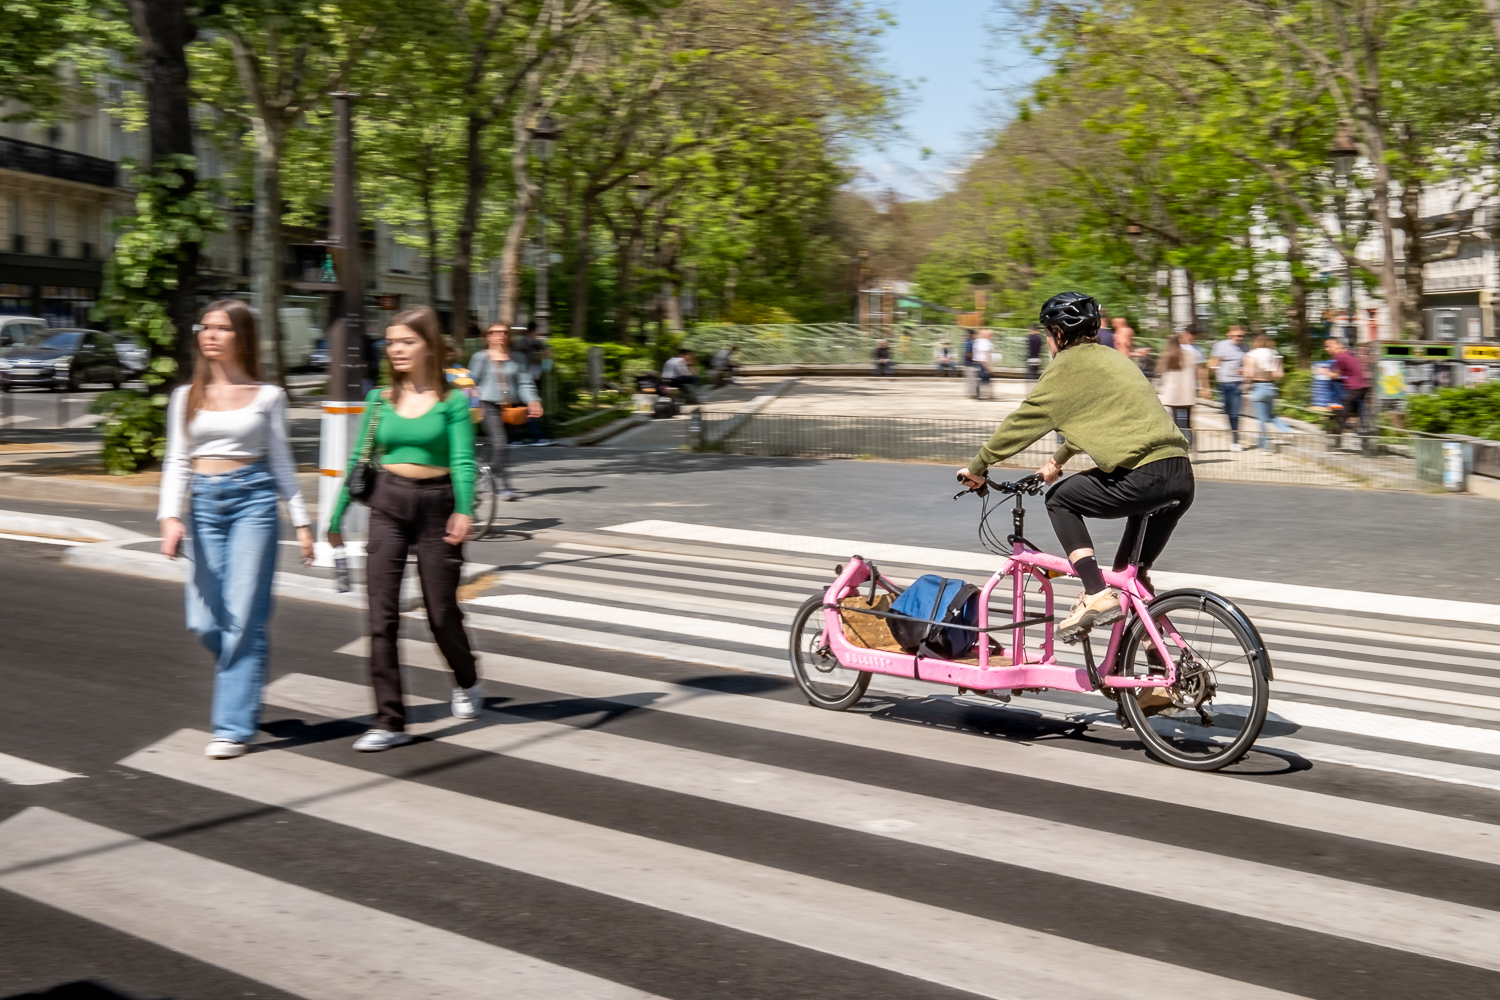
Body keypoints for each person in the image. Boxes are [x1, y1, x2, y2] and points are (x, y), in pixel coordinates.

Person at [957, 291, 1191, 639]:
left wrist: (978, 466)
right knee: (1131, 577)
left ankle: (1095, 594)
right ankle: (1159, 668)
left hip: (1144, 476)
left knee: (1061, 499)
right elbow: (1098, 422)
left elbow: (1022, 422)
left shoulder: (1065, 368)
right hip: (1180, 475)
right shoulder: (1114, 359)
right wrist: (1056, 461)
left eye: (1049, 334)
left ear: (1058, 334)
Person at [158, 300, 313, 759]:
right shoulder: (185, 396)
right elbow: (176, 460)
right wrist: (170, 515)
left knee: (242, 618)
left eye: (221, 328)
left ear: (241, 336)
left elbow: (283, 462)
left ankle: (232, 726)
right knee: (204, 621)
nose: (209, 334)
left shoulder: (269, 396)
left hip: (254, 502)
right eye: (204, 326)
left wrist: (302, 521)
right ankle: (243, 680)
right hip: (204, 506)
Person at [327, 305, 481, 752]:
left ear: (429, 346)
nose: (396, 349)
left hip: (439, 506)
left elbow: (462, 461)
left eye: (406, 341)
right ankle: (389, 721)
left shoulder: (453, 401)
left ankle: (466, 677)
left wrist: (466, 509)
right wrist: (335, 518)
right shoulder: (379, 400)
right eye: (391, 341)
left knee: (440, 613)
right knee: (381, 617)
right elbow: (359, 461)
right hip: (387, 504)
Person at [469, 322, 541, 502]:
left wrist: (533, 400)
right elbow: (471, 383)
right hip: (488, 404)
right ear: (488, 336)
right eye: (495, 332)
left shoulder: (517, 358)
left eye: (504, 332)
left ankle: (501, 483)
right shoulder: (480, 357)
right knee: (500, 444)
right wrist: (471, 405)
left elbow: (525, 382)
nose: (500, 335)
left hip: (511, 407)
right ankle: (491, 480)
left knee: (502, 448)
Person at [1244, 334, 1290, 449]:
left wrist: (1245, 379)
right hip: (1270, 387)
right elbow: (1279, 374)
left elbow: (1249, 374)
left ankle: (1265, 446)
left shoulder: (1252, 355)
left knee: (1262, 419)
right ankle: (1285, 429)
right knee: (1269, 415)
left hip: (1258, 386)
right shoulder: (1274, 354)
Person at [1208, 325, 1246, 452]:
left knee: (1235, 413)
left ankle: (1235, 440)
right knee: (1228, 411)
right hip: (1223, 382)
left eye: (1240, 336)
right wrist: (1214, 368)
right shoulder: (1221, 345)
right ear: (1229, 335)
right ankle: (1232, 430)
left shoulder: (1245, 348)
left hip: (1237, 383)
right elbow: (1213, 362)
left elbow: (1248, 365)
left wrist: (1244, 371)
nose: (1238, 338)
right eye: (1235, 335)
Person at [1157, 334, 1198, 448]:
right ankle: (1191, 444)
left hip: (1173, 393)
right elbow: (1195, 370)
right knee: (1188, 421)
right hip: (1187, 392)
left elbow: (1161, 373)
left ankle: (1180, 445)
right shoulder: (1189, 354)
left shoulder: (1166, 356)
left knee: (1176, 421)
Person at [1326, 337, 1369, 441]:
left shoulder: (1340, 357)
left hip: (1353, 388)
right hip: (1362, 388)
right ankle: (1364, 434)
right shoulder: (1350, 354)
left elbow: (1336, 375)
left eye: (1329, 346)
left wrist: (1324, 372)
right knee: (1359, 412)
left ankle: (1337, 439)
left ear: (1339, 345)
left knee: (1340, 412)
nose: (1326, 349)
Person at [971, 328, 995, 399]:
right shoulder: (985, 342)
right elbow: (985, 354)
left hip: (979, 362)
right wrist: (988, 367)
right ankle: (984, 395)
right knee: (984, 379)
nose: (992, 337)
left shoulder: (978, 341)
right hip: (983, 363)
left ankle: (983, 394)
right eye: (991, 335)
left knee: (983, 379)